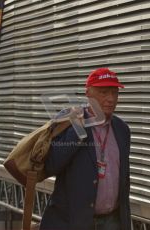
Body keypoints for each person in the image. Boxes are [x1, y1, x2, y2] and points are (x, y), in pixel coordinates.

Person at [39, 67, 131, 230]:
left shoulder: (122, 129)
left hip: (113, 221)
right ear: (88, 92)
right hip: (74, 222)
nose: (110, 98)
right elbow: (51, 165)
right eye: (103, 92)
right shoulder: (68, 121)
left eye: (114, 92)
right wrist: (77, 131)